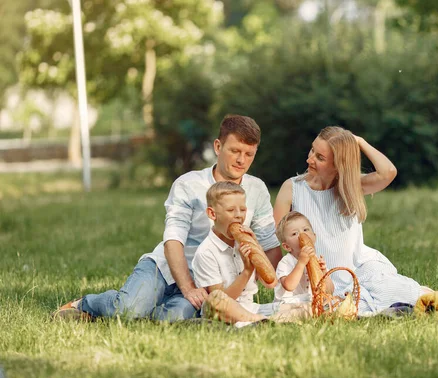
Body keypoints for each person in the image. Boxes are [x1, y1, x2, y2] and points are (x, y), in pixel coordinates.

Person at [53, 115, 282, 322]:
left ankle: (143, 309)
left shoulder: (257, 189)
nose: (241, 160)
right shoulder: (188, 184)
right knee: (128, 310)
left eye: (249, 154)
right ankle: (85, 304)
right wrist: (188, 288)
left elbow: (269, 244)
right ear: (218, 146)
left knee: (172, 319)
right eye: (234, 151)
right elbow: (174, 240)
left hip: (208, 280)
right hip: (164, 268)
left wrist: (285, 285)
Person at [273, 126, 438, 316]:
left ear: (339, 164)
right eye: (312, 150)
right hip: (321, 276)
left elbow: (388, 172)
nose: (309, 159)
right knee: (340, 308)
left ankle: (423, 296)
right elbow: (280, 236)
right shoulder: (292, 188)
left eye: (320, 158)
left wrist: (358, 142)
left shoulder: (352, 186)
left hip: (360, 268)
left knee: (392, 291)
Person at [193, 182, 310, 326]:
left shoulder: (243, 241)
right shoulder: (206, 252)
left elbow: (271, 283)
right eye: (231, 210)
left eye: (242, 210)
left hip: (253, 309)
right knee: (215, 298)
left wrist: (257, 247)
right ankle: (262, 321)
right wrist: (247, 272)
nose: (238, 216)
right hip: (222, 313)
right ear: (212, 214)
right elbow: (224, 298)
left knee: (307, 307)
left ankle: (261, 321)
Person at [273, 211, 334, 303]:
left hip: (310, 302)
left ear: (314, 237)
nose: (302, 235)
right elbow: (289, 286)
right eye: (294, 233)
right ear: (287, 246)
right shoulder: (285, 262)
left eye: (305, 230)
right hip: (288, 303)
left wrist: (324, 272)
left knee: (332, 302)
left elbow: (330, 291)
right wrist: (301, 263)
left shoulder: (316, 260)